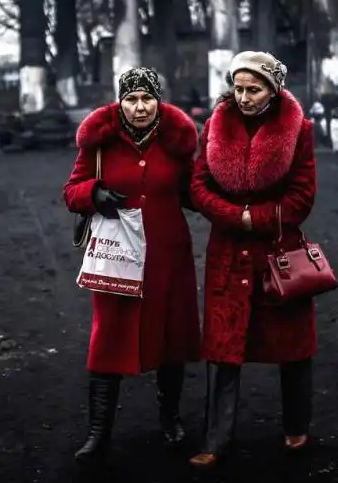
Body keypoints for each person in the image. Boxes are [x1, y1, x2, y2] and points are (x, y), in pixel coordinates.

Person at [62, 67, 201, 464]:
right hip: (117, 258)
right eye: (131, 99)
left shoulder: (176, 145)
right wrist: (94, 192)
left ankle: (170, 419)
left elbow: (195, 191)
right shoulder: (100, 145)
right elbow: (71, 191)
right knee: (109, 339)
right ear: (119, 102)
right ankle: (97, 433)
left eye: (147, 98)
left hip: (167, 256)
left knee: (171, 338)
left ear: (159, 101)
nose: (139, 107)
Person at [188, 51, 318, 468]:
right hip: (228, 250)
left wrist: (257, 218)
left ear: (273, 88)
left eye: (253, 89)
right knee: (223, 346)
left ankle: (296, 426)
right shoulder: (214, 126)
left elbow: (302, 195)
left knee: (292, 345)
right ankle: (216, 439)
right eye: (238, 88)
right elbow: (199, 185)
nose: (243, 97)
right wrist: (234, 217)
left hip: (279, 249)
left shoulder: (299, 130)